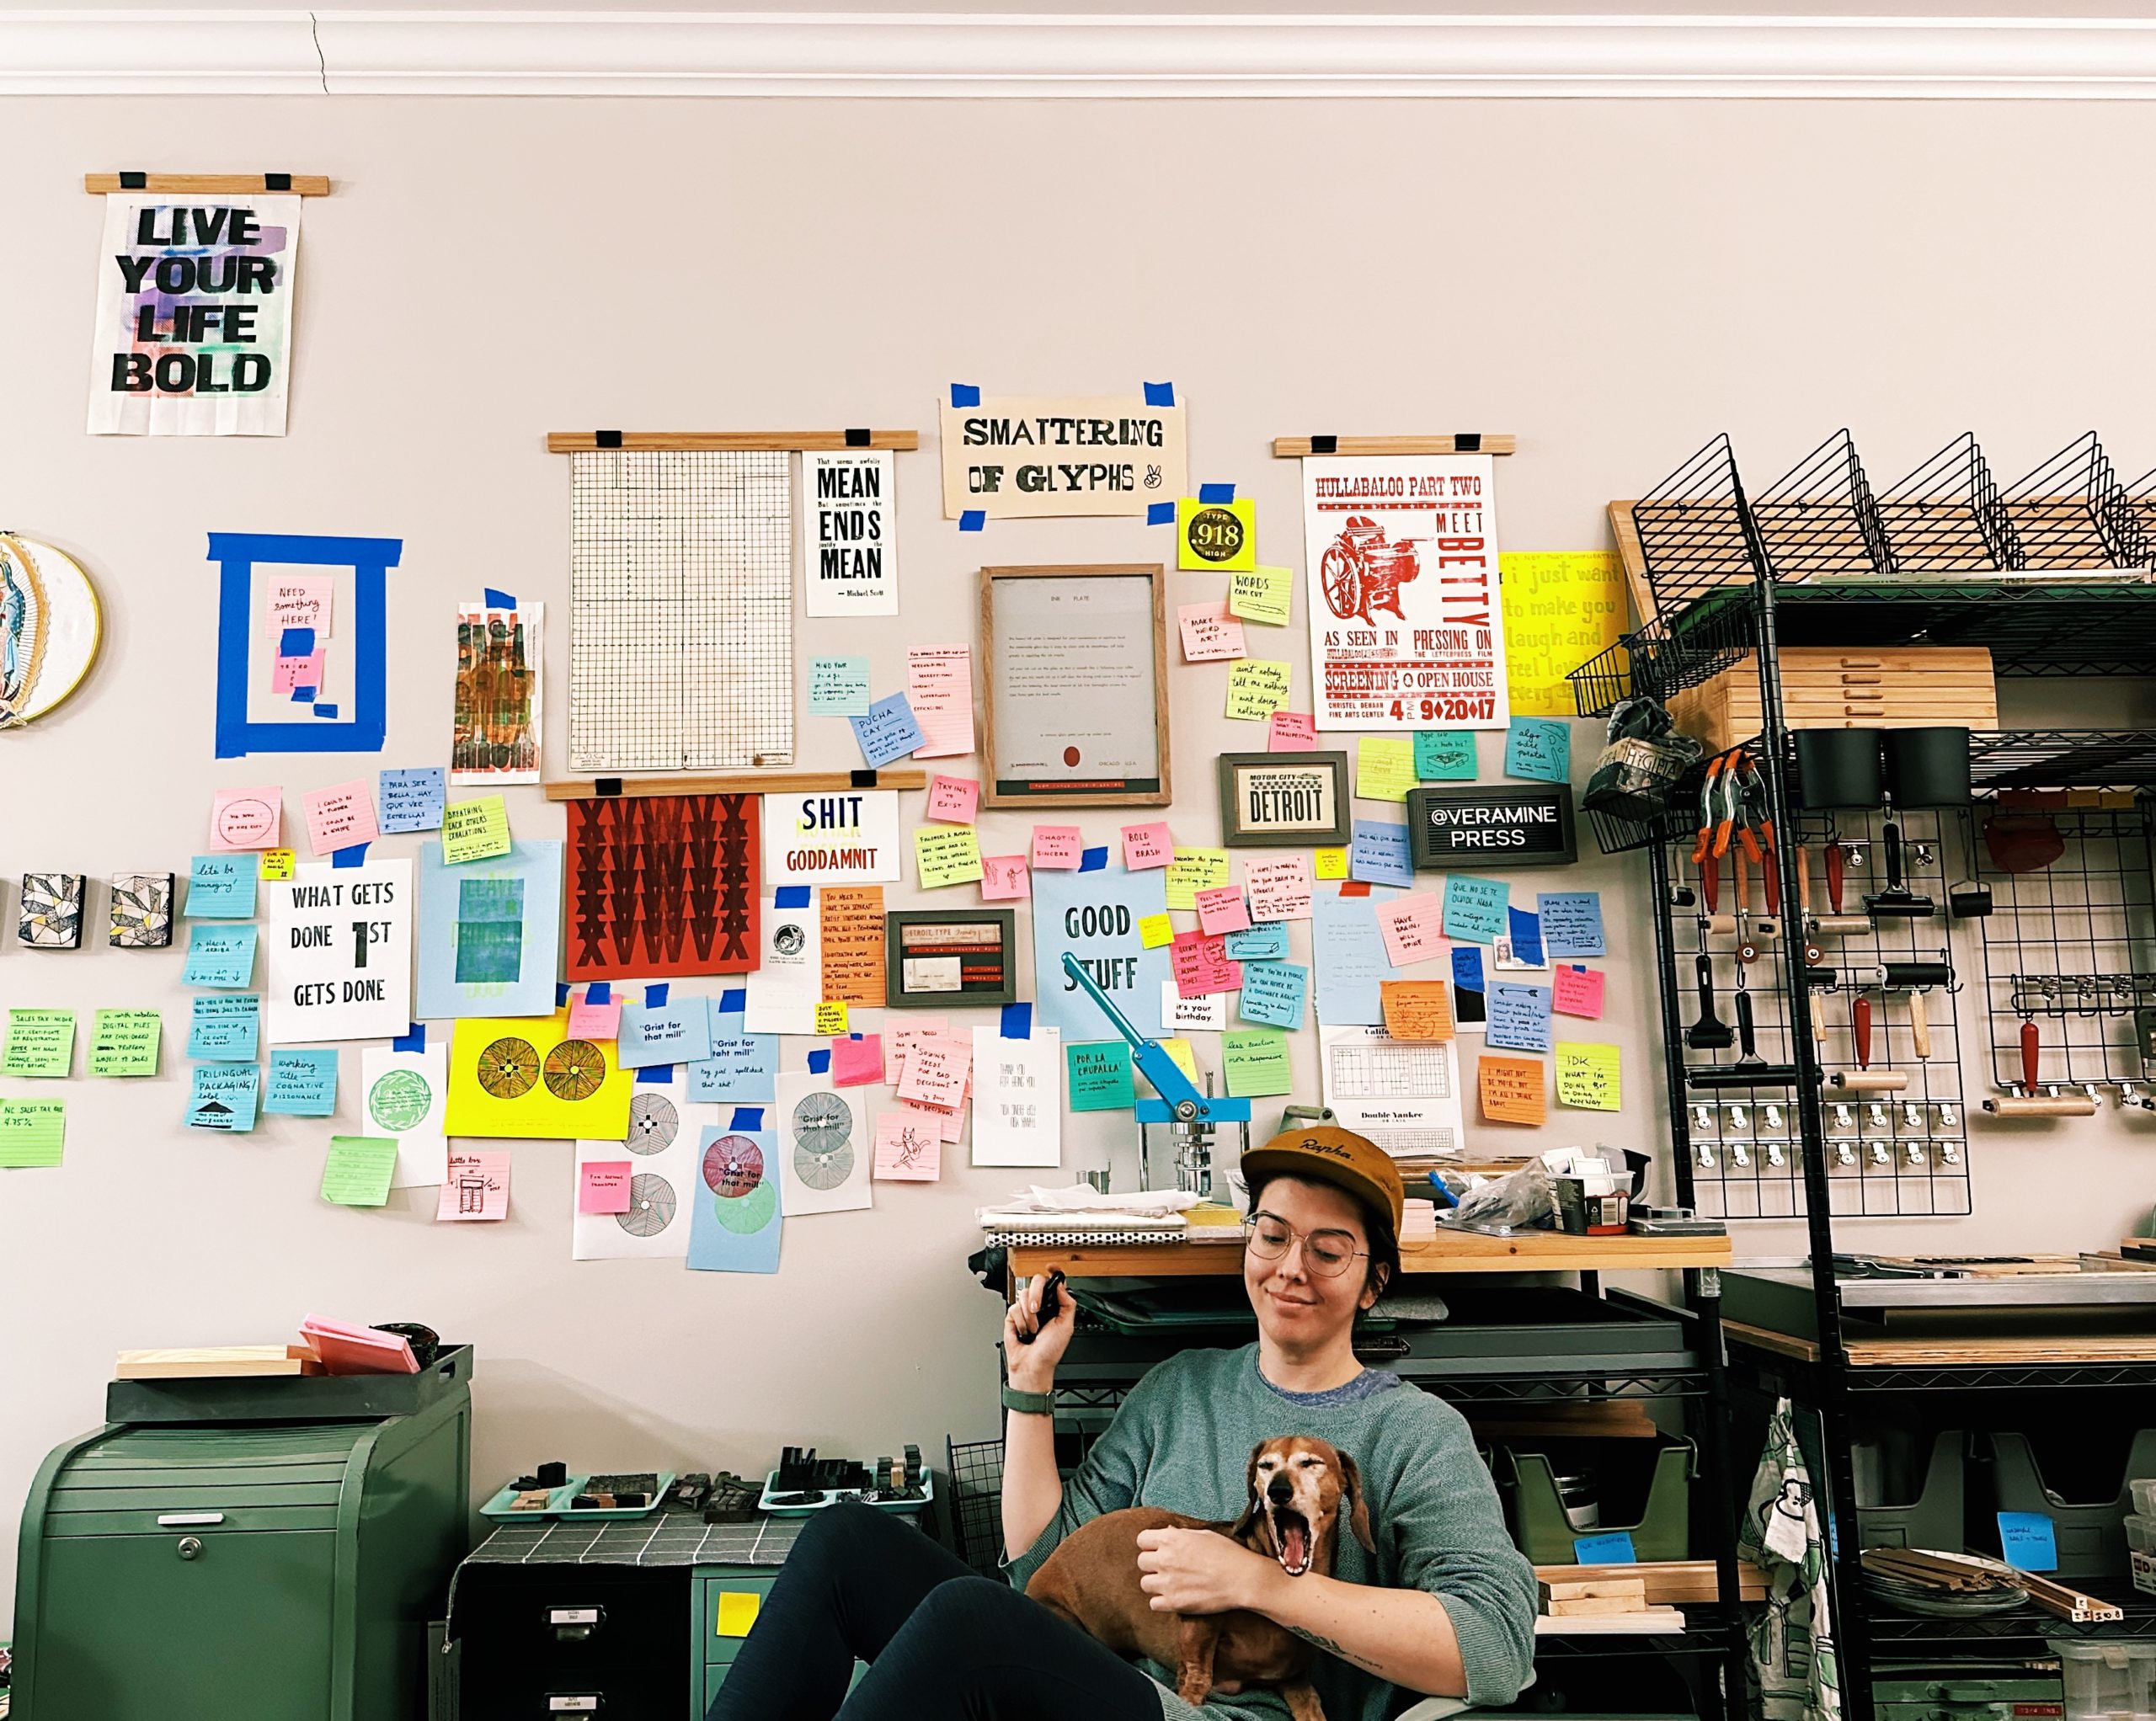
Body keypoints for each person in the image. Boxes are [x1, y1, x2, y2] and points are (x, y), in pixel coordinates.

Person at [708, 1125, 1538, 1721]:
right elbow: (1041, 1567)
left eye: (1327, 1250)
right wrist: (1029, 1387)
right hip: (1100, 1674)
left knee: (969, 1623)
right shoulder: (1181, 1388)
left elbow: (1495, 1649)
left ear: (1371, 1281)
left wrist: (1255, 1581)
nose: (1290, 1267)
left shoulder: (1412, 1430)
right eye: (1272, 1235)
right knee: (846, 1540)